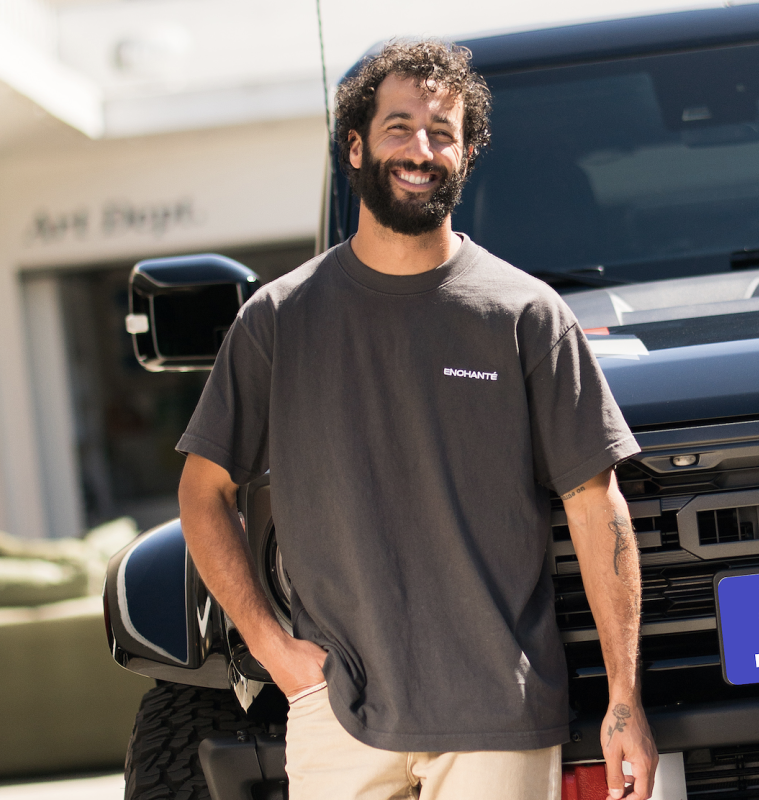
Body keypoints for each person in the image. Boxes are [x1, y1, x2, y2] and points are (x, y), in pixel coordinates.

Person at [176, 39, 658, 800]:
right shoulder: (278, 320)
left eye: (443, 132)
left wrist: (624, 700)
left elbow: (597, 507)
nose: (422, 149)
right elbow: (203, 492)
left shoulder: (527, 315)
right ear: (357, 144)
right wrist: (276, 652)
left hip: (497, 714)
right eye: (400, 127)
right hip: (335, 711)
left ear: (467, 154)